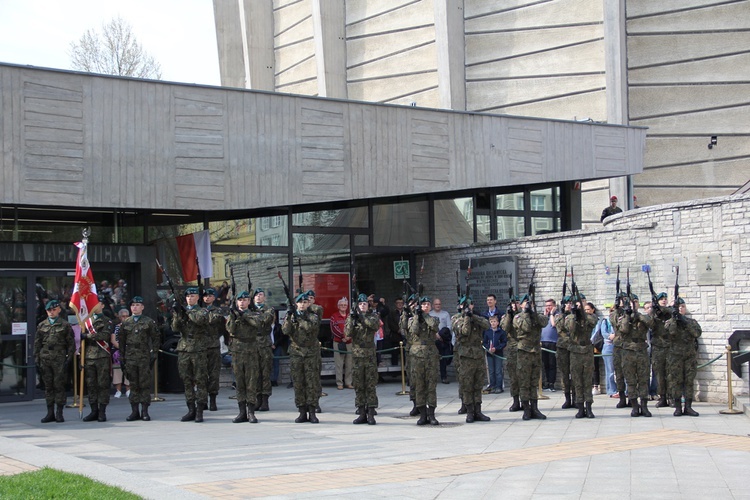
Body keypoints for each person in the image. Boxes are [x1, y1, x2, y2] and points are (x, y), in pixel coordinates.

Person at [119, 296, 161, 421]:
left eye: (137, 305)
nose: (135, 307)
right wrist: (122, 356)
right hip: (130, 355)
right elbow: (121, 341)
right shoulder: (126, 322)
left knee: (144, 384)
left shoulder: (148, 322)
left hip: (143, 355)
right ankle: (134, 411)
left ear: (142, 307)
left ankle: (145, 411)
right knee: (133, 384)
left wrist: (154, 353)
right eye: (133, 305)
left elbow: (156, 338)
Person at [282, 292, 322, 423]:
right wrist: (289, 317)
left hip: (310, 353)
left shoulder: (313, 316)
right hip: (296, 352)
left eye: (305, 302)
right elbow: (285, 331)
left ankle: (312, 411)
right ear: (296, 304)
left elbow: (310, 327)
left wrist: (298, 319)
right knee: (298, 382)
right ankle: (302, 411)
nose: (303, 304)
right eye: (300, 302)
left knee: (311, 382)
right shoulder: (292, 316)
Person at [171, 287, 209, 422]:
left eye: (192, 296)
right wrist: (177, 314)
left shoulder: (202, 311)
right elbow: (175, 328)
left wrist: (186, 311)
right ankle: (191, 409)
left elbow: (199, 321)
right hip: (184, 349)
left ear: (198, 297)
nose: (190, 298)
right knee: (186, 381)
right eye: (188, 296)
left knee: (200, 380)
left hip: (198, 349)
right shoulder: (184, 311)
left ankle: (200, 410)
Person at [34, 300, 75, 423]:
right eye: (49, 310)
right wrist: (37, 358)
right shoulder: (42, 325)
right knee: (48, 386)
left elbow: (71, 343)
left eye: (53, 310)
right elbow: (37, 343)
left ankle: (59, 412)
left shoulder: (65, 325)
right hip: (45, 358)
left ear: (58, 310)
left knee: (59, 386)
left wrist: (69, 358)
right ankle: (50, 412)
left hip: (59, 358)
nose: (51, 312)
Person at [453, 296, 491, 423]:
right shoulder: (457, 319)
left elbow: (487, 325)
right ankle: (469, 411)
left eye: (469, 305)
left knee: (478, 384)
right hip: (465, 356)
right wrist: (467, 318)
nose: (467, 308)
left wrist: (473, 316)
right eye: (465, 306)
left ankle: (478, 411)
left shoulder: (477, 317)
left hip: (478, 355)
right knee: (467, 385)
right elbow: (464, 331)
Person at [225, 291, 260, 423]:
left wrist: (243, 316)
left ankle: (251, 412)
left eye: (245, 300)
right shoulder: (232, 315)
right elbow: (231, 330)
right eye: (240, 300)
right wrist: (234, 316)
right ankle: (241, 412)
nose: (242, 302)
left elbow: (257, 324)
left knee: (251, 382)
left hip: (251, 350)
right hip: (237, 352)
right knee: (239, 382)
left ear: (249, 302)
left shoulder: (254, 314)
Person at [345, 293, 380, 425]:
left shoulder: (373, 316)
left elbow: (374, 326)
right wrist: (353, 320)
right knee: (359, 384)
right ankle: (361, 412)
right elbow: (347, 333)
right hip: (357, 355)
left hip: (369, 354)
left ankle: (371, 413)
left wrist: (361, 317)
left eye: (364, 304)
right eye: (360, 304)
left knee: (370, 384)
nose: (363, 306)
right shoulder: (352, 317)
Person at [513, 293, 549, 420]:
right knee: (524, 382)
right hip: (524, 352)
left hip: (535, 352)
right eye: (526, 303)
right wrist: (527, 314)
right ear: (521, 305)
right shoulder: (518, 317)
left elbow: (545, 322)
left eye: (531, 303)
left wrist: (533, 313)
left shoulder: (537, 316)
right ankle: (526, 409)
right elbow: (526, 327)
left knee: (534, 382)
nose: (529, 305)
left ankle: (535, 408)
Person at [665, 298, 702, 417]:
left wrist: (684, 320)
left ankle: (688, 407)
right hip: (675, 358)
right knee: (676, 381)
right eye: (678, 307)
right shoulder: (669, 322)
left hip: (689, 357)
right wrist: (675, 319)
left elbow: (696, 333)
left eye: (682, 306)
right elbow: (671, 333)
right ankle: (677, 407)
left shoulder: (691, 322)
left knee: (689, 382)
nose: (680, 309)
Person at [408, 296, 441, 425]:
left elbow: (434, 327)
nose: (426, 306)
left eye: (428, 304)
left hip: (431, 355)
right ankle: (422, 414)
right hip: (417, 357)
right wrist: (417, 316)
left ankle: (431, 414)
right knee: (419, 385)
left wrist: (424, 316)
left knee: (431, 386)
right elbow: (414, 330)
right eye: (423, 305)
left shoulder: (434, 318)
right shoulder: (413, 319)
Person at [565, 297, 598, 418]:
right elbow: (571, 329)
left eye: (581, 304)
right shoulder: (569, 317)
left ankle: (589, 407)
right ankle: (580, 407)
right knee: (577, 381)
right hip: (575, 352)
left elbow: (592, 322)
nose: (579, 306)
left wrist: (582, 313)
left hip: (587, 352)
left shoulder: (591, 316)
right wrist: (574, 315)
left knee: (588, 380)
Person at [79, 310, 113, 422]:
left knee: (102, 384)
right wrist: (81, 359)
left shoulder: (106, 320)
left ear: (102, 306)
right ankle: (94, 411)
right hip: (89, 357)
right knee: (91, 385)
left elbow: (105, 335)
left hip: (102, 356)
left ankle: (102, 411)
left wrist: (88, 336)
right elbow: (81, 342)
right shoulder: (86, 320)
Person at [202, 288, 226, 412]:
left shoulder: (218, 311)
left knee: (213, 374)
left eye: (210, 296)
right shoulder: (198, 310)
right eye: (205, 296)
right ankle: (203, 399)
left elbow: (220, 325)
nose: (207, 298)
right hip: (201, 346)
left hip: (213, 345)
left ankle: (212, 399)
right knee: (201, 374)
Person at [252, 288, 276, 411]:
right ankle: (257, 399)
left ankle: (265, 400)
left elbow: (264, 321)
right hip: (252, 345)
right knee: (255, 373)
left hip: (265, 344)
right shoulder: (249, 309)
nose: (258, 297)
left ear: (264, 297)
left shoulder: (269, 309)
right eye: (256, 295)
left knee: (265, 373)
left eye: (261, 295)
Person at [650, 292, 672, 407]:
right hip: (658, 347)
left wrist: (665, 310)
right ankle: (662, 397)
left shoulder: (670, 312)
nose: (664, 300)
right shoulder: (654, 313)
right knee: (659, 374)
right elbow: (650, 324)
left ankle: (671, 397)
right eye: (661, 299)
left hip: (669, 346)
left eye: (665, 299)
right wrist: (655, 311)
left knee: (671, 374)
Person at [501, 295, 521, 412]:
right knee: (514, 378)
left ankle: (526, 402)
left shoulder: (524, 316)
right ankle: (516, 401)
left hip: (524, 351)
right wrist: (509, 315)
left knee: (524, 378)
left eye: (517, 303)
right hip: (513, 351)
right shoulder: (506, 317)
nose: (515, 305)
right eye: (513, 303)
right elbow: (505, 328)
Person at [330, 297, 353, 390]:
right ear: (338, 306)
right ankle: (339, 383)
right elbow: (334, 329)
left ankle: (348, 382)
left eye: (345, 305)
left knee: (349, 364)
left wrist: (349, 336)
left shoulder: (350, 316)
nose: (343, 306)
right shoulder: (334, 316)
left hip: (350, 343)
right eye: (341, 305)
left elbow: (354, 327)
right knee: (339, 364)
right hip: (338, 342)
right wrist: (343, 336)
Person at [555, 298, 574, 408]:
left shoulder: (575, 315)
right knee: (565, 374)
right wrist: (563, 313)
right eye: (567, 303)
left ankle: (576, 398)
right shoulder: (559, 316)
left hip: (574, 348)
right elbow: (561, 328)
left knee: (575, 374)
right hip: (563, 348)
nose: (569, 305)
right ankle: (567, 398)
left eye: (570, 303)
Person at [429, 298, 452, 384]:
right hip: (433, 340)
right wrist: (436, 335)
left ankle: (444, 377)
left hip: (443, 340)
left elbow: (449, 326)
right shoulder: (430, 314)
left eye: (439, 304)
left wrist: (441, 334)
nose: (438, 306)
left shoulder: (445, 314)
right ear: (433, 305)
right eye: (436, 304)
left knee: (443, 359)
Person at [483, 315, 507, 394]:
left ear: (498, 323)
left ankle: (499, 386)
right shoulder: (487, 332)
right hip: (489, 353)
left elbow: (504, 342)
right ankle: (492, 385)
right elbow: (485, 342)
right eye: (491, 322)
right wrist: (488, 348)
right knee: (491, 370)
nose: (493, 323)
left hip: (498, 353)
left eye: (494, 322)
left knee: (498, 370)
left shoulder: (501, 332)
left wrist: (497, 348)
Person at [111, 309, 131, 398]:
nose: (125, 318)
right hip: (118, 351)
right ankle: (118, 390)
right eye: (123, 316)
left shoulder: (132, 326)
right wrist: (121, 348)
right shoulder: (116, 327)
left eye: (127, 316)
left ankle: (128, 389)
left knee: (129, 370)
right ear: (119, 317)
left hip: (129, 350)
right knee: (117, 370)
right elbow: (113, 340)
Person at [540, 298, 558, 391]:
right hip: (543, 342)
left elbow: (554, 324)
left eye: (550, 305)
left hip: (552, 342)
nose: (548, 307)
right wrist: (545, 315)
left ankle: (552, 383)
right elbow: (541, 325)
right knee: (545, 363)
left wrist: (551, 314)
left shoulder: (556, 315)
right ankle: (546, 382)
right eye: (546, 305)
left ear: (554, 306)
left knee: (552, 364)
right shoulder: (545, 316)